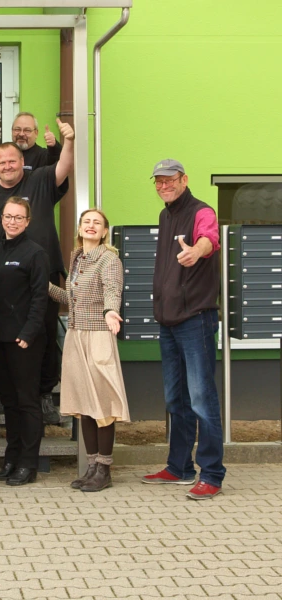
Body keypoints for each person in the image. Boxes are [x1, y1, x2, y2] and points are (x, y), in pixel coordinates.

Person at [0, 120, 75, 423]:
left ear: (23, 162)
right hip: (1, 280)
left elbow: (63, 166)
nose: (8, 166)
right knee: (5, 335)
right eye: (2, 162)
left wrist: (68, 141)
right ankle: (10, 394)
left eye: (13, 161)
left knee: (45, 333)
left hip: (42, 275)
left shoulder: (40, 181)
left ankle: (44, 394)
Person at [142, 159, 225, 500]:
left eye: (169, 180)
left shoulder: (201, 211)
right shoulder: (166, 215)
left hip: (195, 319)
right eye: (158, 182)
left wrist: (197, 251)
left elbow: (210, 238)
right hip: (169, 321)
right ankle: (179, 467)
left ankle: (212, 474)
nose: (164, 186)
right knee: (176, 399)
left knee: (203, 399)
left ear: (184, 180)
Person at [49, 209, 130, 492]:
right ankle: (92, 466)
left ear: (105, 231)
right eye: (87, 222)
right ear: (80, 229)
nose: (91, 226)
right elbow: (70, 299)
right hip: (76, 336)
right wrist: (43, 287)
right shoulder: (79, 259)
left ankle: (104, 469)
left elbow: (112, 289)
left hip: (98, 336)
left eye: (97, 223)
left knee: (103, 405)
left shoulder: (109, 259)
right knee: (85, 406)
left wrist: (111, 311)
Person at [0, 198, 49, 487]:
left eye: (18, 217)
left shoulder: (35, 254)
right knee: (8, 402)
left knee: (27, 402)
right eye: (8, 216)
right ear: (2, 219)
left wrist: (29, 332)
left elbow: (39, 298)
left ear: (27, 221)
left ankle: (28, 463)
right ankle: (11, 458)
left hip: (24, 340)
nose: (12, 221)